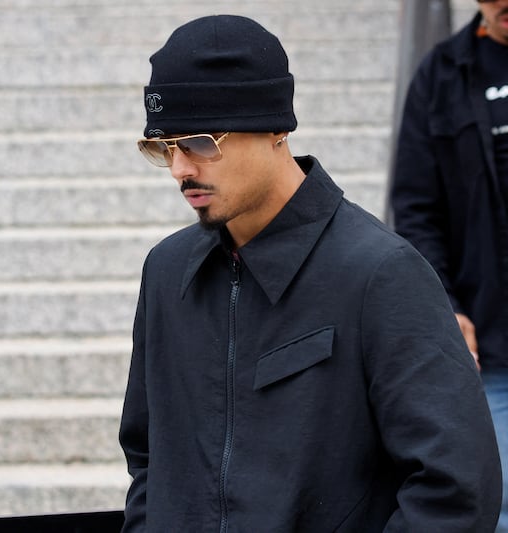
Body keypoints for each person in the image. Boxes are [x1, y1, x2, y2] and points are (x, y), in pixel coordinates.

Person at [119, 14, 502, 532]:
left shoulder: (380, 273)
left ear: (275, 128)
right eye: (163, 147)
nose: (181, 169)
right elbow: (148, 460)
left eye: (200, 142)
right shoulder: (166, 272)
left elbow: (455, 485)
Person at [391, 1, 508, 530]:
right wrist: (446, 308)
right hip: (491, 349)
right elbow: (415, 211)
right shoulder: (440, 75)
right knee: (495, 503)